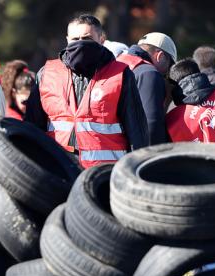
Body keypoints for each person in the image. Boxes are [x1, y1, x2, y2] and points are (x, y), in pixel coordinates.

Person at [24, 14, 148, 168]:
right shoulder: (47, 73)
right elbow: (32, 125)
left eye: (87, 38)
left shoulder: (120, 74)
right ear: (67, 40)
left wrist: (137, 169)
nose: (80, 44)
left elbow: (136, 129)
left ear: (101, 39)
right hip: (59, 169)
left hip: (104, 173)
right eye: (75, 39)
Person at [117, 32, 177, 145]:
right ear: (160, 56)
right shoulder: (149, 73)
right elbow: (151, 123)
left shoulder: (116, 63)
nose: (166, 73)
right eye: (169, 66)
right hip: (132, 153)